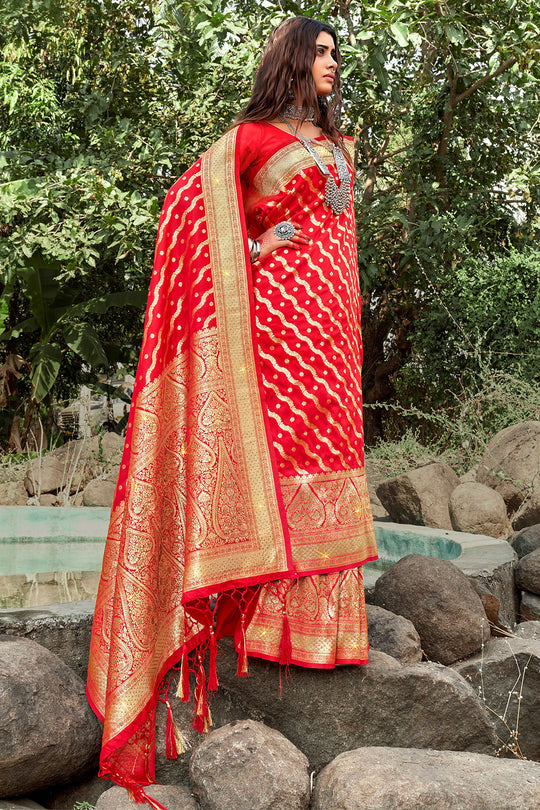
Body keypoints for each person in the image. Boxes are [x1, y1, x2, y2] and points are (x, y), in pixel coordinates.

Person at [87, 15, 377, 808]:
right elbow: (186, 220)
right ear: (290, 59)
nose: (332, 63)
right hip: (277, 323)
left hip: (332, 324)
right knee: (278, 454)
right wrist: (252, 250)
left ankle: (321, 629)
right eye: (320, 51)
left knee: (329, 451)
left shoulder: (340, 145)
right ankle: (252, 623)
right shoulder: (248, 141)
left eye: (335, 53)